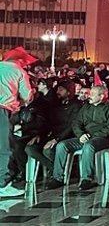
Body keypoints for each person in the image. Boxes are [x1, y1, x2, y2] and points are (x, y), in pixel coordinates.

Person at [47, 85, 109, 190]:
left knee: (89, 146)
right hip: (84, 137)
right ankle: (57, 178)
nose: (89, 96)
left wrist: (92, 136)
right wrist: (81, 135)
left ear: (101, 96)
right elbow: (76, 123)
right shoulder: (86, 107)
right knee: (62, 145)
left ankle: (86, 179)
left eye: (92, 94)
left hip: (102, 139)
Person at [25, 80, 82, 181]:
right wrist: (39, 135)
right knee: (30, 148)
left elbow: (72, 126)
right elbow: (49, 124)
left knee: (47, 151)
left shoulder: (76, 105)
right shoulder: (55, 105)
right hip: (52, 135)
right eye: (57, 89)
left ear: (68, 92)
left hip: (66, 136)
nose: (57, 92)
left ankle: (57, 173)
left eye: (61, 90)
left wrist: (56, 139)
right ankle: (55, 169)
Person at [0, 47, 35, 197]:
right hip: (3, 110)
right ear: (20, 60)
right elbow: (27, 96)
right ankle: (2, 184)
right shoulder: (19, 72)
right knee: (4, 148)